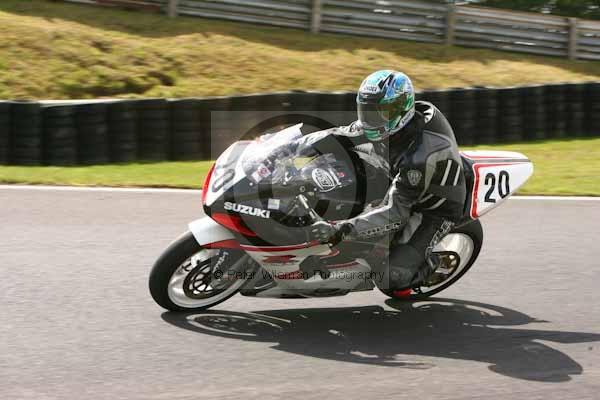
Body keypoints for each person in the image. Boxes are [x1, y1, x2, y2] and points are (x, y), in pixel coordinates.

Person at [308, 70, 467, 292]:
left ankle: (429, 265)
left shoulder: (419, 157)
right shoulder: (388, 126)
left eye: (379, 112)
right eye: (366, 110)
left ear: (401, 110)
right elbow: (338, 135)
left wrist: (342, 229)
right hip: (397, 177)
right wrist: (289, 146)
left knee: (390, 278)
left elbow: (396, 213)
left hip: (432, 208)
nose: (369, 119)